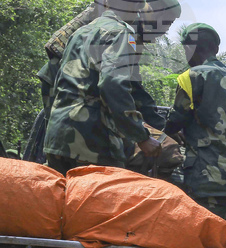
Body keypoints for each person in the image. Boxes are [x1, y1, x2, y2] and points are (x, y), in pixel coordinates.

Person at [41, 0, 180, 174]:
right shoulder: (124, 33)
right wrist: (141, 136)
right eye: (166, 22)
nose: (165, 29)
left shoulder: (81, 31)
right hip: (90, 139)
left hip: (58, 135)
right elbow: (115, 85)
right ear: (141, 8)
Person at [164, 23, 226, 224]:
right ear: (216, 49)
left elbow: (175, 120)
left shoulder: (193, 76)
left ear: (188, 49)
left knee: (207, 239)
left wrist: (163, 135)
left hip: (210, 178)